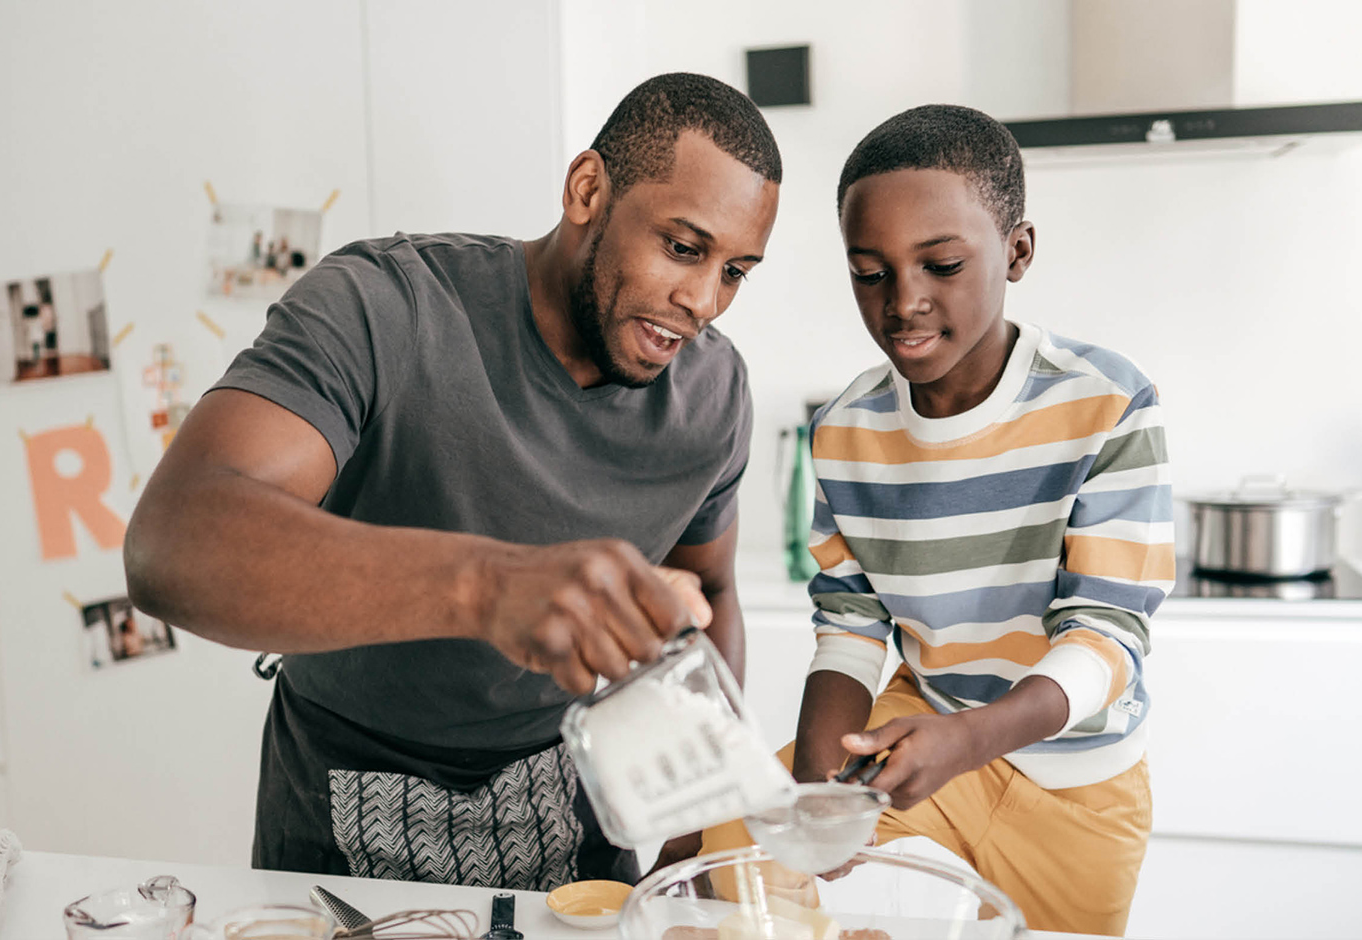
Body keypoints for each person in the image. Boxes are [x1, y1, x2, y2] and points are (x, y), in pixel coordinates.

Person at [124, 72, 781, 890]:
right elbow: (172, 542)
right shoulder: (383, 305)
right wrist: (485, 587)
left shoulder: (714, 395)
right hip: (339, 790)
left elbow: (707, 590)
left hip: (572, 801)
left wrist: (700, 818)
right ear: (587, 189)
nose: (703, 301)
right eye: (683, 248)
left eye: (736, 271)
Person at [698, 104, 1173, 936]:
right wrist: (819, 783)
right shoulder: (845, 431)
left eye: (942, 264)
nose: (904, 303)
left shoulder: (1105, 401)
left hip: (1077, 784)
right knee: (743, 838)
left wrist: (968, 740)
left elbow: (1107, 635)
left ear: (1017, 251)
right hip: (922, 736)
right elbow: (850, 624)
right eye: (869, 272)